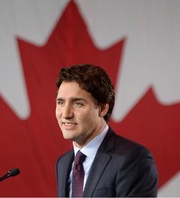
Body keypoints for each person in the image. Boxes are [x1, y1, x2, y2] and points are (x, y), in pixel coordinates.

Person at [55, 64, 158, 197]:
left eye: (78, 103)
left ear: (103, 108)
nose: (66, 114)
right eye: (61, 103)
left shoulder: (134, 159)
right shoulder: (63, 163)